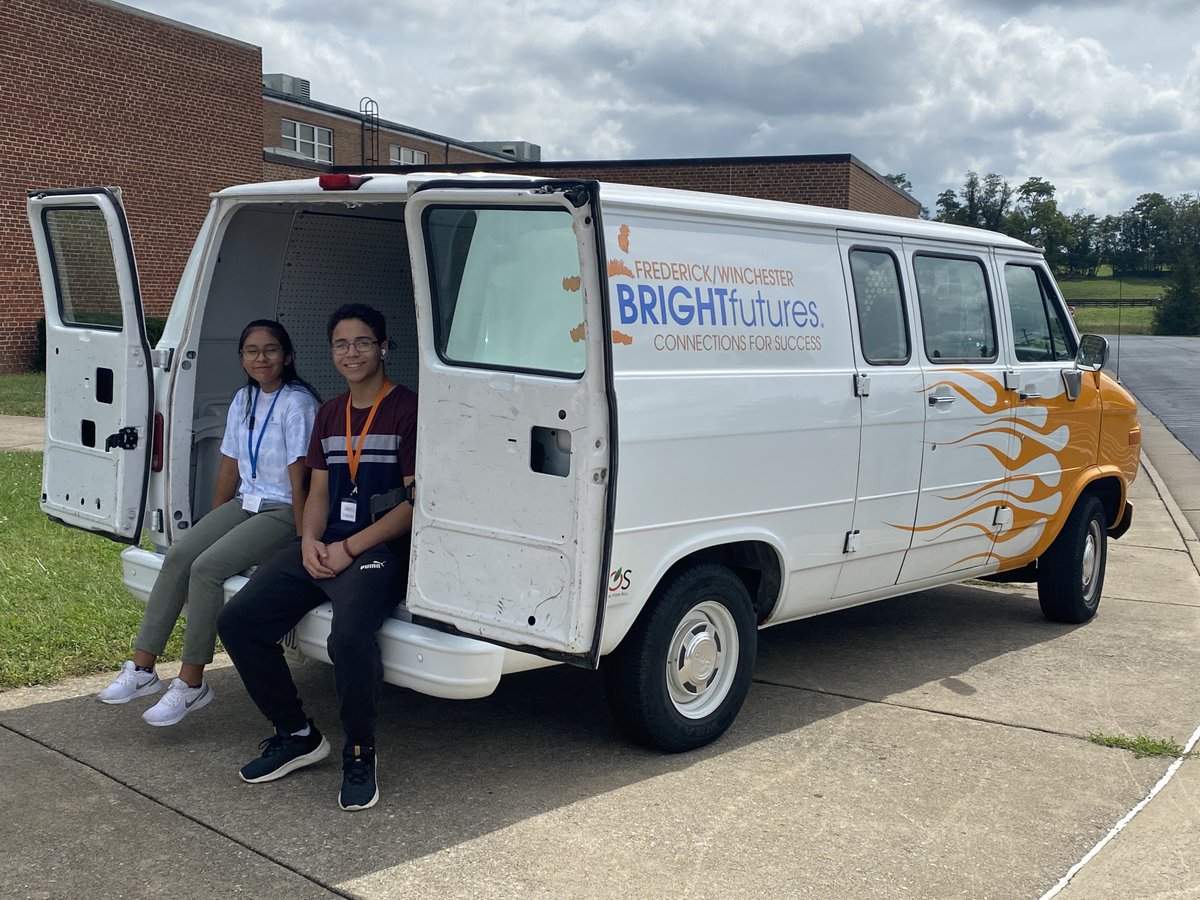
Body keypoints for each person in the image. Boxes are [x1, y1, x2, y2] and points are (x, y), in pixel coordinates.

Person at [218, 303, 417, 812]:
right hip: (324, 544)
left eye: (363, 343)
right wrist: (308, 541)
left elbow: (417, 506)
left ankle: (358, 750)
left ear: (384, 348)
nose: (352, 353)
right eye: (341, 345)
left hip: (378, 550)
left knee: (349, 635)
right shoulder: (329, 413)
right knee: (239, 619)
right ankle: (297, 733)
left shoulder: (407, 410)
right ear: (331, 353)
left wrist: (350, 546)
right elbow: (320, 490)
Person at [97, 320, 319, 726]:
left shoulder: (297, 403)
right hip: (245, 502)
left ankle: (192, 681)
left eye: (271, 350)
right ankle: (143, 668)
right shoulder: (244, 399)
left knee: (207, 568)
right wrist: (215, 519)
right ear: (242, 358)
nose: (261, 358)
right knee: (181, 554)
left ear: (287, 357)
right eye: (251, 350)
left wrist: (304, 536)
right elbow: (230, 464)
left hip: (283, 508)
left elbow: (300, 476)